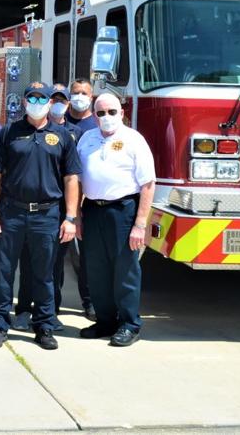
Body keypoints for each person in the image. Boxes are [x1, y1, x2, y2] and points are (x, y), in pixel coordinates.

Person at [0, 81, 80, 351]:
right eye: (32, 99)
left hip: (47, 215)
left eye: (42, 99)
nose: (37, 104)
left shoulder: (62, 136)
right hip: (12, 213)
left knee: (45, 274)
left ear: (51, 104)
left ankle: (45, 325)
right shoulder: (8, 133)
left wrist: (70, 218)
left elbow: (72, 178)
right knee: (4, 272)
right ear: (24, 102)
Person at [76, 93, 156, 347]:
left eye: (111, 112)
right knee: (96, 270)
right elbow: (77, 180)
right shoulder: (87, 139)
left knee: (125, 269)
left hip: (123, 210)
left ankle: (129, 324)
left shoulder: (134, 140)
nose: (106, 117)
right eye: (100, 113)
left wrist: (140, 223)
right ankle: (105, 320)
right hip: (92, 210)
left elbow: (147, 184)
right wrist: (76, 215)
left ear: (121, 113)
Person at [15, 83, 93, 331]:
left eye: (61, 100)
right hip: (37, 208)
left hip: (61, 209)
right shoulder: (25, 130)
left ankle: (50, 311)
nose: (57, 104)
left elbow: (75, 177)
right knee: (29, 262)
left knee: (55, 264)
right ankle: (25, 309)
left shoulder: (73, 134)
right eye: (54, 99)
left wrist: (74, 213)